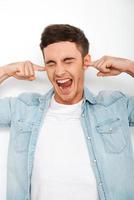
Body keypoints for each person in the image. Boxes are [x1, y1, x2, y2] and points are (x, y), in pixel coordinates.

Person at [0, 24, 134, 200]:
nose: (59, 71)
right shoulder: (23, 108)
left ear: (85, 62)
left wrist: (129, 66)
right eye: (51, 63)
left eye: (68, 61)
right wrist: (5, 71)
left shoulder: (114, 106)